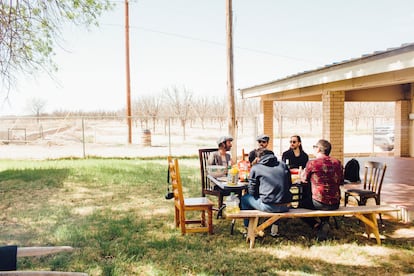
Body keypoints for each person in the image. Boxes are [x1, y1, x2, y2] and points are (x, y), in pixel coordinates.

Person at [241, 148, 292, 236]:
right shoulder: (283, 165)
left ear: (258, 158)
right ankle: (274, 229)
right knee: (278, 196)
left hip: (269, 206)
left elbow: (251, 191)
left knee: (245, 198)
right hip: (286, 205)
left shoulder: (256, 168)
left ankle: (248, 229)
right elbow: (289, 184)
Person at [300, 139, 343, 241]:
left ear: (318, 149)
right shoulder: (337, 163)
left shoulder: (312, 163)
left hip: (319, 203)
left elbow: (304, 180)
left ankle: (316, 225)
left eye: (314, 147)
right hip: (335, 203)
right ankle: (325, 223)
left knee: (301, 205)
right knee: (324, 198)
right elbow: (341, 181)